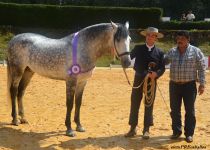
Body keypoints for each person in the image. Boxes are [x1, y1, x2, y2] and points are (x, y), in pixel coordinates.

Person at [164, 31, 206, 143]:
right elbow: (163, 61)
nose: (179, 40)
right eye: (178, 38)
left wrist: (202, 84)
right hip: (173, 85)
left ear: (188, 39)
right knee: (175, 110)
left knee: (190, 111)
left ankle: (189, 134)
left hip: (189, 85)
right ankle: (176, 132)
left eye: (182, 38)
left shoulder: (196, 51)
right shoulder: (172, 51)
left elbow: (202, 68)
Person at [125, 27, 165, 139]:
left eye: (153, 35)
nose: (150, 37)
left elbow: (162, 68)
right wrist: (121, 55)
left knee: (149, 104)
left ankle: (146, 129)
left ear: (156, 38)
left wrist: (156, 74)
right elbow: (128, 59)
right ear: (145, 36)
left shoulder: (160, 52)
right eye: (148, 35)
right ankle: (133, 128)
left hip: (151, 82)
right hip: (138, 79)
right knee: (134, 103)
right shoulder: (138, 48)